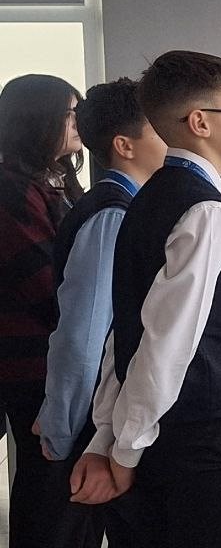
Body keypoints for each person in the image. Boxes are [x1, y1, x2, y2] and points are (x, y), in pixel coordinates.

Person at [72, 50, 221, 548]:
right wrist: (124, 448)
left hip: (159, 429)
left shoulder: (150, 194)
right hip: (201, 434)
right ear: (200, 122)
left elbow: (127, 331)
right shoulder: (206, 210)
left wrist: (109, 435)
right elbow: (165, 342)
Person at [37, 78, 165, 548]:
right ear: (124, 145)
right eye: (158, 129)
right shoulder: (113, 215)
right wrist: (62, 427)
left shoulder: (129, 205)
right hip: (92, 412)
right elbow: (83, 334)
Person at [0, 74, 84, 548]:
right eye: (69, 114)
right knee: (49, 490)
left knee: (66, 491)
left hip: (60, 354)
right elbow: (45, 284)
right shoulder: (11, 189)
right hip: (34, 361)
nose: (77, 123)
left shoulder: (55, 179)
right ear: (37, 120)